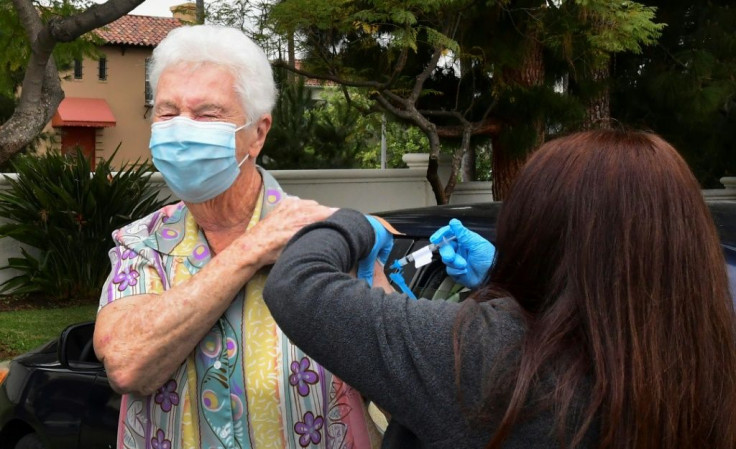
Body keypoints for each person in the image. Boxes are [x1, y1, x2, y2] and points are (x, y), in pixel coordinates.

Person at [263, 129, 736, 449]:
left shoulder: (492, 355)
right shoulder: (702, 359)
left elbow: (297, 286)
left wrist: (352, 224)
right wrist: (502, 282)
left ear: (536, 231)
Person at [93, 25, 383, 449]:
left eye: (208, 114)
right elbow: (127, 366)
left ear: (258, 133)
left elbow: (402, 376)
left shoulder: (326, 238)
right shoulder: (141, 245)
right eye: (168, 112)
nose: (182, 128)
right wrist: (252, 249)